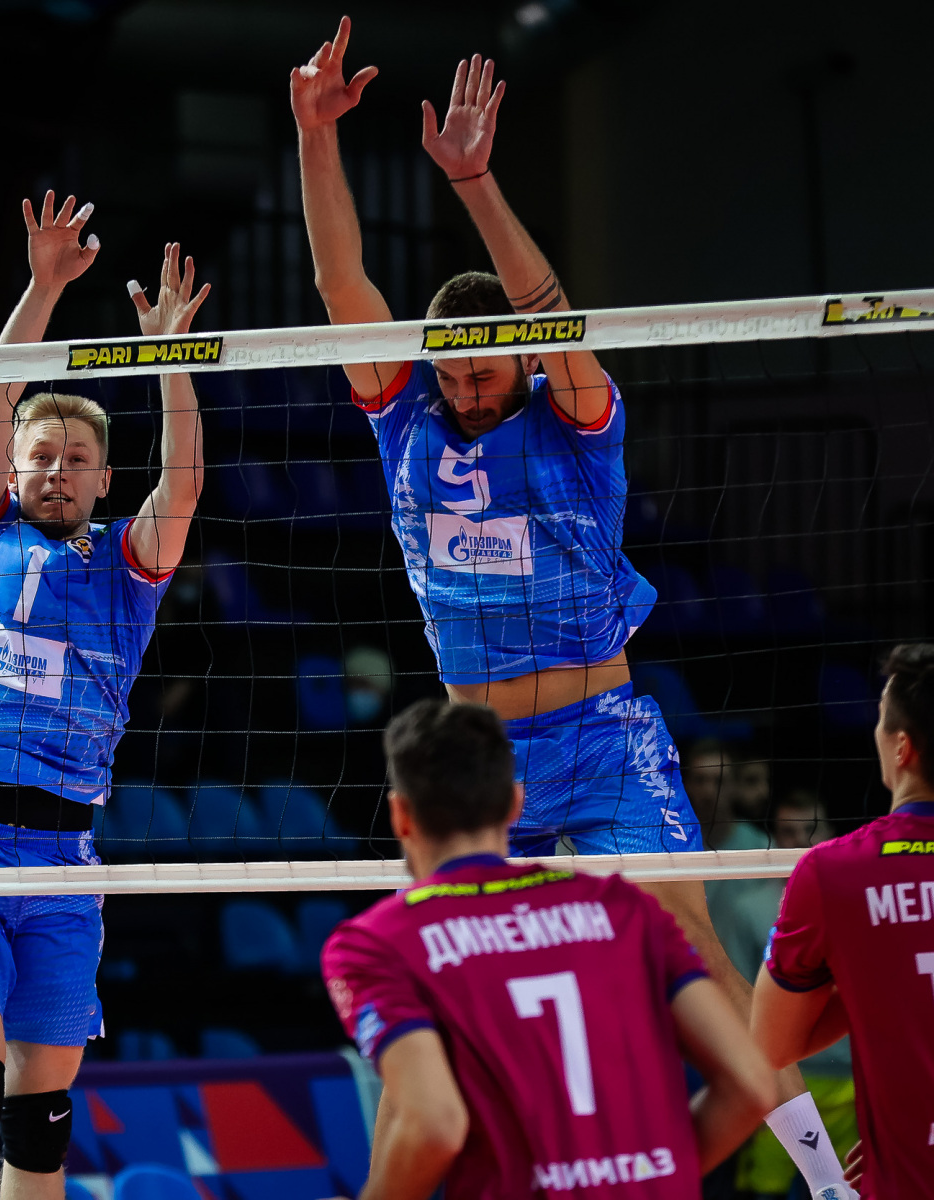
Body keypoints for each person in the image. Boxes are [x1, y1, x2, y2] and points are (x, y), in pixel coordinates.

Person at [288, 18, 849, 1192]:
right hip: (481, 755)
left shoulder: (578, 418)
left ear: (525, 357)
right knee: (443, 980)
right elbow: (343, 286)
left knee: (693, 951)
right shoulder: (406, 417)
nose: (464, 384)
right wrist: (315, 136)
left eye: (485, 365)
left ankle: (825, 1183)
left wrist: (475, 183)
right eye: (450, 365)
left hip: (600, 737)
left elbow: (551, 309)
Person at [0, 193, 208, 1200]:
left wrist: (169, 363)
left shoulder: (127, 563)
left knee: (38, 1126)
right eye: (41, 457)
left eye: (77, 460)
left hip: (64, 858)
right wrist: (44, 287)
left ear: (103, 479)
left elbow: (183, 486)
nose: (57, 472)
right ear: (15, 468)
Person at [321, 698, 776, 1198]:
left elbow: (434, 1124)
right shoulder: (625, 909)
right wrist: (656, 1175)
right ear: (515, 803)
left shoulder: (374, 944)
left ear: (401, 816)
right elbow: (751, 1084)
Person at [753, 644, 934, 1199]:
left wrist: (872, 978)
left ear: (901, 746)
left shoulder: (833, 873)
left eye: (881, 719)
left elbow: (772, 1048)